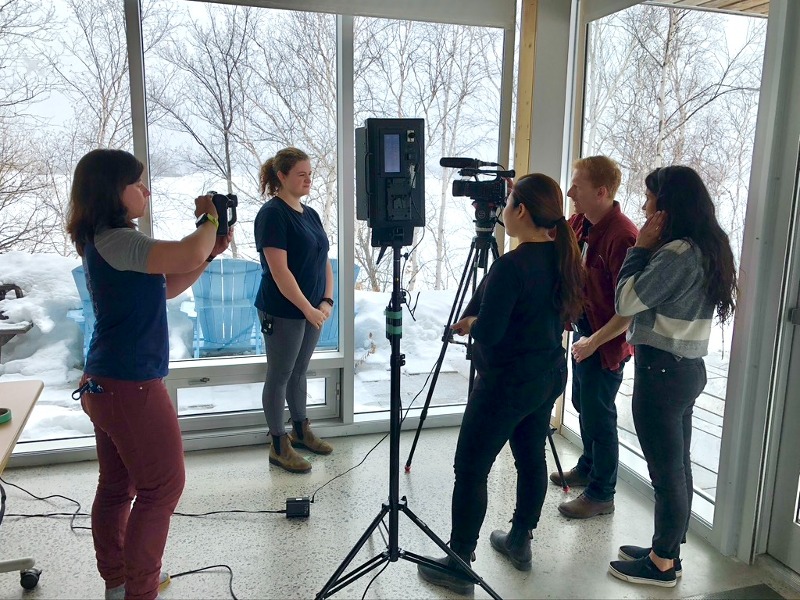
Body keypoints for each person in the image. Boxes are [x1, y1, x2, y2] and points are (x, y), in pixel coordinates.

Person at [66, 149, 233, 600]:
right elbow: (183, 250)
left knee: (119, 486)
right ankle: (138, 589)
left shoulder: (108, 241)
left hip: (108, 381)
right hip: (130, 384)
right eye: (138, 184)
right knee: (163, 487)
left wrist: (208, 253)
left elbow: (168, 282)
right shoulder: (117, 239)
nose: (147, 191)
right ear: (111, 190)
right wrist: (209, 220)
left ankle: (120, 581)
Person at [417, 173, 584, 593]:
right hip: (546, 377)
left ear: (521, 210)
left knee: (471, 467)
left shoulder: (511, 266)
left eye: (508, 203)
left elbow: (488, 332)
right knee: (530, 456)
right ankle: (520, 540)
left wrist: (471, 321)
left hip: (506, 384)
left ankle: (459, 562)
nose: (502, 212)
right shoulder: (562, 256)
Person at [609, 165, 737, 587]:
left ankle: (662, 563)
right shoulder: (707, 246)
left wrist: (640, 248)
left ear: (667, 204)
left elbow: (627, 300)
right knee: (677, 468)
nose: (644, 207)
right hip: (685, 369)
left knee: (667, 475)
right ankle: (667, 549)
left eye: (649, 198)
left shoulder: (675, 253)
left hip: (662, 372)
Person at [555, 155, 638, 519]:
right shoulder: (581, 223)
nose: (570, 192)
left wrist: (595, 342)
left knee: (599, 414)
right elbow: (557, 232)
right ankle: (588, 465)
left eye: (578, 186)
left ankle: (602, 493)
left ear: (601, 192)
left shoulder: (623, 236)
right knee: (581, 403)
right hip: (587, 331)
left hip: (607, 343)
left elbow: (630, 309)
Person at [255, 147, 334, 474]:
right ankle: (278, 443)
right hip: (283, 310)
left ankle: (301, 430)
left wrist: (326, 301)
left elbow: (323, 259)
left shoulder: (310, 214)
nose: (308, 179)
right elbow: (280, 271)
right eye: (301, 174)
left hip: (313, 309)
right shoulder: (272, 215)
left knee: (299, 371)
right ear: (281, 176)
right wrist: (307, 309)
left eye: (310, 174)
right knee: (280, 374)